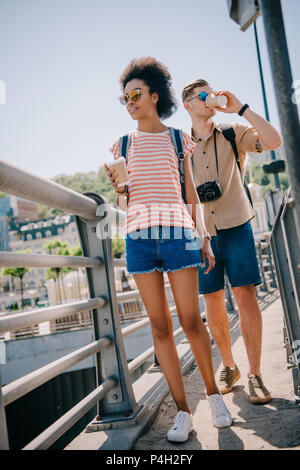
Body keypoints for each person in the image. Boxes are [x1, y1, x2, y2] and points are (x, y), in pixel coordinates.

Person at [105, 58, 233, 443]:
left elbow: (190, 192)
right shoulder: (122, 144)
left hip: (178, 235)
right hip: (140, 240)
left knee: (192, 321)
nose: (129, 101)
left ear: (155, 95)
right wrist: (121, 187)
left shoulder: (179, 139)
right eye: (124, 97)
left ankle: (213, 396)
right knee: (160, 328)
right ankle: (183, 411)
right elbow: (126, 202)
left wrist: (204, 236)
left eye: (136, 94)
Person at [182, 78, 283, 404]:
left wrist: (240, 107)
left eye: (208, 92)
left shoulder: (231, 131)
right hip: (201, 234)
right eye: (201, 95)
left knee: (244, 295)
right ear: (188, 105)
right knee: (212, 302)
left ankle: (255, 374)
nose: (208, 98)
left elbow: (273, 140)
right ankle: (230, 366)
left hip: (237, 226)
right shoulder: (180, 144)